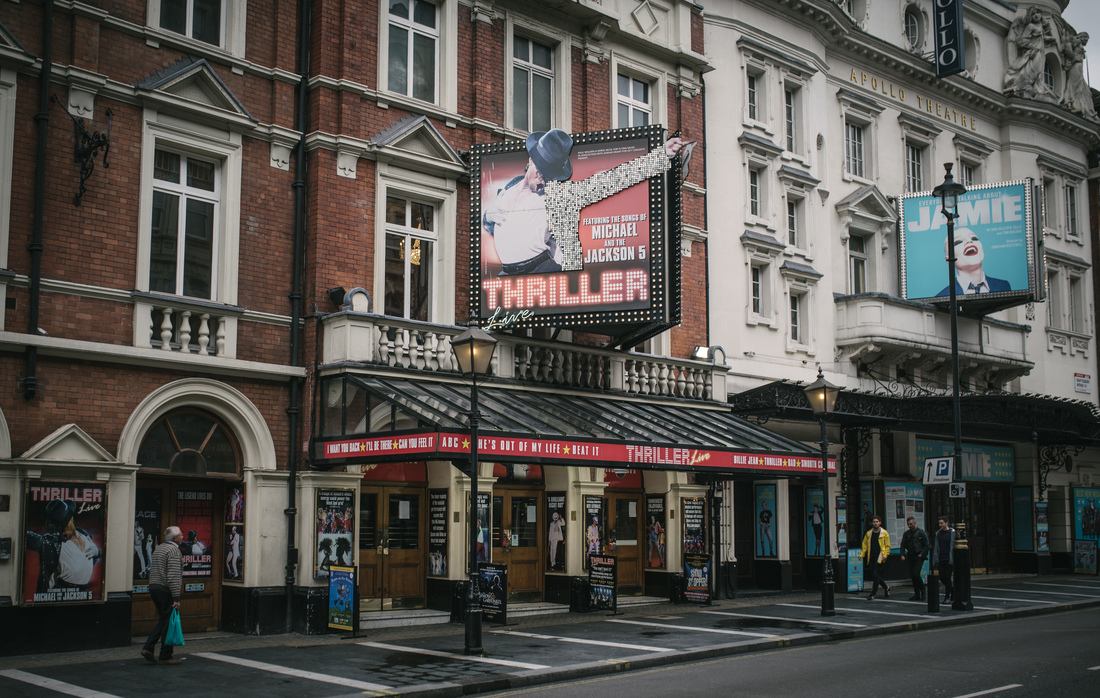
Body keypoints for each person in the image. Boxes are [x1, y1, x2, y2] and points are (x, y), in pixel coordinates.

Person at [482, 129, 684, 275]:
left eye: (550, 173)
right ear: (531, 160)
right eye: (541, 169)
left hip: (541, 271)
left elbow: (612, 180)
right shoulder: (508, 188)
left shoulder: (562, 195)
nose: (543, 177)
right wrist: (488, 216)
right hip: (507, 273)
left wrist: (661, 155)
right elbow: (490, 223)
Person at [26, 499, 101, 596]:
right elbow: (28, 538)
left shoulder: (83, 534)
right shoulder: (53, 541)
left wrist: (98, 552)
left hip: (82, 592)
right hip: (62, 591)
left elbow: (93, 558)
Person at [143, 525, 183, 665]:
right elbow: (173, 575)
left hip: (154, 587)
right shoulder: (173, 550)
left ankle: (149, 647)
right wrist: (176, 597)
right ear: (175, 538)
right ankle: (165, 655)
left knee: (164, 619)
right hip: (165, 589)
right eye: (181, 535)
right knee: (169, 620)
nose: (182, 537)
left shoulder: (159, 548)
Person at [936, 229, 1011, 297]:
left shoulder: (1004, 286)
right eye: (958, 242)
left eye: (974, 238)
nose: (969, 241)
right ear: (948, 259)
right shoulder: (942, 296)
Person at [860, 515, 891, 599]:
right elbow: (864, 545)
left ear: (880, 523)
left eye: (877, 521)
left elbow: (887, 546)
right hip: (871, 557)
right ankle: (886, 587)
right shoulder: (869, 533)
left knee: (875, 575)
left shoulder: (884, 533)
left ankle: (873, 594)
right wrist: (862, 554)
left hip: (880, 557)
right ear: (872, 523)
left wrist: (885, 555)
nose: (875, 523)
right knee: (875, 575)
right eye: (874, 522)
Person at [900, 516, 930, 601]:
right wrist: (902, 554)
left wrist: (922, 554)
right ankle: (917, 594)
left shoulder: (921, 532)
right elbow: (902, 545)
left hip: (919, 556)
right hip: (910, 556)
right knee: (913, 576)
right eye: (908, 524)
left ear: (915, 523)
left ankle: (923, 590)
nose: (910, 525)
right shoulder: (906, 533)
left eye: (911, 524)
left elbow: (927, 545)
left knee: (916, 574)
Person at [932, 516, 957, 603]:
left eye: (942, 523)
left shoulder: (952, 532)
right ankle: (953, 591)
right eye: (939, 523)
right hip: (941, 558)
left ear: (946, 523)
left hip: (949, 559)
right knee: (942, 577)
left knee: (947, 577)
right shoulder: (938, 533)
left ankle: (947, 597)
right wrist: (935, 560)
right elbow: (936, 547)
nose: (940, 525)